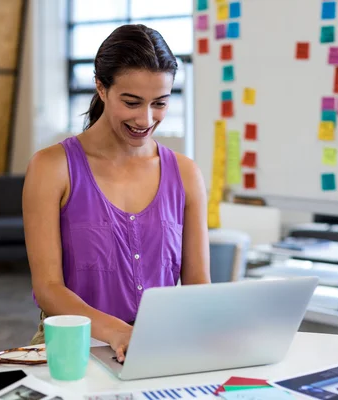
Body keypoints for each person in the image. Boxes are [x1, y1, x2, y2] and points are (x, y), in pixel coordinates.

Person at [22, 24, 211, 361]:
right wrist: (119, 333)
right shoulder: (51, 168)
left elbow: (198, 284)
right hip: (74, 341)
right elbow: (48, 288)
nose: (146, 118)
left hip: (158, 343)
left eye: (160, 103)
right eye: (132, 102)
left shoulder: (185, 173)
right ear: (101, 87)